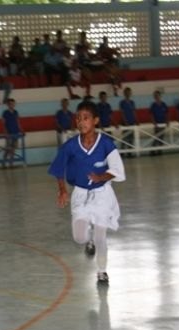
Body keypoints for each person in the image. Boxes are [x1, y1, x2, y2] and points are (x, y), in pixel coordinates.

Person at [48, 100, 126, 283]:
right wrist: (62, 190)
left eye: (86, 118)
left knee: (101, 236)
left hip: (102, 195)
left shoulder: (106, 143)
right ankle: (87, 239)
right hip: (81, 194)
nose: (81, 122)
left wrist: (102, 177)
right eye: (78, 118)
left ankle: (102, 271)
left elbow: (118, 169)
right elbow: (59, 169)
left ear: (96, 120)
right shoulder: (70, 146)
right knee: (79, 237)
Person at [1, 98, 24, 168]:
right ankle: (4, 162)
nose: (12, 105)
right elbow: (3, 123)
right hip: (9, 133)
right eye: (11, 104)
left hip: (15, 132)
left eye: (13, 104)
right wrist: (5, 132)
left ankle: (11, 163)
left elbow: (18, 122)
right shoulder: (5, 113)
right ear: (8, 105)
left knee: (13, 149)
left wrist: (22, 130)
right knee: (8, 149)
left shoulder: (16, 112)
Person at [119, 87, 138, 155]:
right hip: (125, 123)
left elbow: (134, 112)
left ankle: (130, 152)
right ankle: (122, 152)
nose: (128, 94)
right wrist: (125, 121)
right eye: (126, 92)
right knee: (124, 137)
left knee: (131, 137)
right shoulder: (122, 102)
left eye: (129, 92)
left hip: (132, 122)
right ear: (124, 93)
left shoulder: (132, 102)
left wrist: (136, 120)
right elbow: (122, 113)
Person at [149, 90, 169, 156]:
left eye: (158, 95)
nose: (157, 97)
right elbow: (151, 114)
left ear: (160, 96)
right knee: (156, 137)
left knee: (161, 138)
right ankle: (152, 151)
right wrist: (154, 122)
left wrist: (167, 121)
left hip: (163, 123)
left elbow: (166, 113)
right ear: (154, 97)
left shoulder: (164, 104)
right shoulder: (153, 105)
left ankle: (160, 150)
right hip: (157, 124)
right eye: (155, 96)